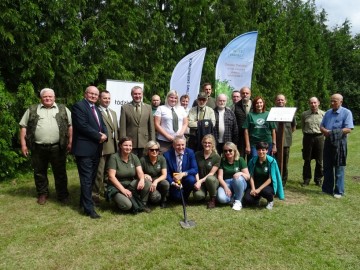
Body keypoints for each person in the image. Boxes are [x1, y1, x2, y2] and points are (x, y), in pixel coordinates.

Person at [19, 88, 72, 205]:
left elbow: (70, 126)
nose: (48, 98)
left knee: (60, 172)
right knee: (39, 172)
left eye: (50, 97)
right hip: (38, 147)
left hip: (58, 147)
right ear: (41, 98)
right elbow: (23, 127)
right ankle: (42, 194)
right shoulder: (32, 109)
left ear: (54, 97)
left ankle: (62, 195)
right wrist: (23, 145)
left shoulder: (63, 109)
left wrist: (70, 142)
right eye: (45, 97)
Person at [72, 86, 108, 219]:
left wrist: (106, 134)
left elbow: (102, 125)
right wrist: (99, 136)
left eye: (95, 94)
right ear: (85, 94)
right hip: (84, 149)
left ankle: (83, 202)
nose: (93, 96)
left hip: (96, 149)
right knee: (86, 179)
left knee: (91, 178)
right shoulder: (79, 106)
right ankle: (89, 209)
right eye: (91, 94)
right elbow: (82, 126)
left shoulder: (96, 109)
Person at [320, 94, 354, 198]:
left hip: (340, 142)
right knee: (327, 166)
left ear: (341, 102)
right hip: (328, 142)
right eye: (331, 101)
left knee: (339, 167)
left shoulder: (346, 113)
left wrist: (333, 132)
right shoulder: (328, 113)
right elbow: (321, 126)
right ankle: (327, 189)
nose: (332, 103)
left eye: (334, 101)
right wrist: (325, 131)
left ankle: (339, 191)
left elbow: (349, 129)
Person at [106, 137, 151, 212]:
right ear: (120, 146)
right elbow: (111, 177)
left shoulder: (134, 157)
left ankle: (143, 204)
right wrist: (123, 190)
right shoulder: (114, 157)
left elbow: (140, 172)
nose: (128, 147)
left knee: (147, 182)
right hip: (116, 186)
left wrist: (142, 179)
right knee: (127, 206)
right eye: (125, 145)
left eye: (130, 145)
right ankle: (119, 201)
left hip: (130, 185)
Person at [93, 90, 119, 203]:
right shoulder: (96, 111)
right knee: (99, 172)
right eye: (104, 98)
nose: (107, 100)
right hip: (102, 146)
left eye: (108, 98)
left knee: (109, 172)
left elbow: (115, 130)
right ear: (99, 99)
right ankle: (95, 194)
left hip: (113, 146)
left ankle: (106, 191)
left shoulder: (113, 112)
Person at [244, 142, 285, 210]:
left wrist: (259, 189)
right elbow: (251, 176)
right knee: (247, 199)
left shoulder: (271, 161)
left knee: (265, 191)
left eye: (263, 150)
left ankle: (270, 201)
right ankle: (256, 199)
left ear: (267, 150)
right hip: (255, 184)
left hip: (267, 185)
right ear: (256, 151)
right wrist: (253, 189)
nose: (261, 152)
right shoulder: (252, 161)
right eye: (259, 150)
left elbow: (270, 178)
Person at [120, 86, 155, 158]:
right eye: (135, 94)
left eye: (139, 94)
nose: (137, 96)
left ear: (142, 94)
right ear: (131, 94)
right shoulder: (125, 108)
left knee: (143, 164)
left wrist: (153, 142)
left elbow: (151, 127)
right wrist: (123, 143)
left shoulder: (148, 107)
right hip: (130, 144)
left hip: (145, 143)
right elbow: (122, 128)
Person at [163, 136, 198, 202]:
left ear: (185, 144)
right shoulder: (167, 155)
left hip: (185, 178)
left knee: (191, 180)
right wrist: (173, 183)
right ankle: (176, 194)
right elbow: (167, 173)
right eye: (178, 145)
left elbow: (195, 169)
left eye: (183, 145)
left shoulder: (190, 152)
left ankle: (185, 197)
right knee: (176, 198)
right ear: (173, 145)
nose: (181, 147)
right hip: (174, 180)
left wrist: (183, 174)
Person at [217, 142, 250, 211]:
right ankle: (233, 198)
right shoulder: (222, 161)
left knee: (237, 178)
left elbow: (248, 176)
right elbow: (220, 177)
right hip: (227, 183)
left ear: (234, 150)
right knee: (221, 199)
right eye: (225, 151)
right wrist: (225, 187)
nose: (228, 152)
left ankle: (238, 201)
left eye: (230, 150)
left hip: (239, 182)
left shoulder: (240, 160)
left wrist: (240, 173)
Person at [301, 97, 325, 187]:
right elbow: (303, 127)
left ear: (318, 103)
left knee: (319, 160)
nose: (313, 104)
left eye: (315, 102)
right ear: (309, 104)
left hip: (319, 137)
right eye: (311, 103)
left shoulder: (323, 114)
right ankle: (306, 179)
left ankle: (318, 179)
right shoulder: (304, 114)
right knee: (307, 159)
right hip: (307, 137)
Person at [274, 94, 296, 186]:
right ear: (276, 101)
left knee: (284, 161)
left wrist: (286, 135)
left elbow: (293, 126)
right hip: (274, 141)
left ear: (285, 101)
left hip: (285, 142)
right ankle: (274, 179)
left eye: (282, 100)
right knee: (274, 161)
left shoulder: (290, 112)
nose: (280, 101)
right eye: (278, 100)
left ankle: (283, 180)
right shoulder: (272, 112)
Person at [194, 134, 221, 208]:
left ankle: (213, 199)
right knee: (198, 196)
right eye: (205, 142)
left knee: (210, 178)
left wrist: (200, 181)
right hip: (201, 182)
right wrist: (197, 182)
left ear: (213, 144)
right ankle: (203, 195)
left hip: (212, 181)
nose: (207, 144)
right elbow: (195, 170)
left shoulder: (216, 157)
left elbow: (211, 173)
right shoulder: (197, 154)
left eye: (209, 143)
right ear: (202, 143)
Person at [140, 141, 169, 208]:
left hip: (158, 181)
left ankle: (163, 200)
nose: (154, 151)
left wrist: (156, 181)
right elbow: (139, 173)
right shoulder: (143, 160)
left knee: (166, 183)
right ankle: (145, 202)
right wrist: (144, 175)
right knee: (155, 198)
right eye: (152, 150)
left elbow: (164, 175)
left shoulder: (162, 159)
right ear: (147, 150)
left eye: (156, 150)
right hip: (148, 182)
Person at [234, 86, 252, 158]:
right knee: (240, 158)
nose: (245, 95)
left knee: (252, 158)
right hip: (240, 137)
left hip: (252, 136)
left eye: (247, 93)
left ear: (250, 94)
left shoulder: (255, 105)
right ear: (240, 94)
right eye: (243, 93)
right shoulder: (236, 106)